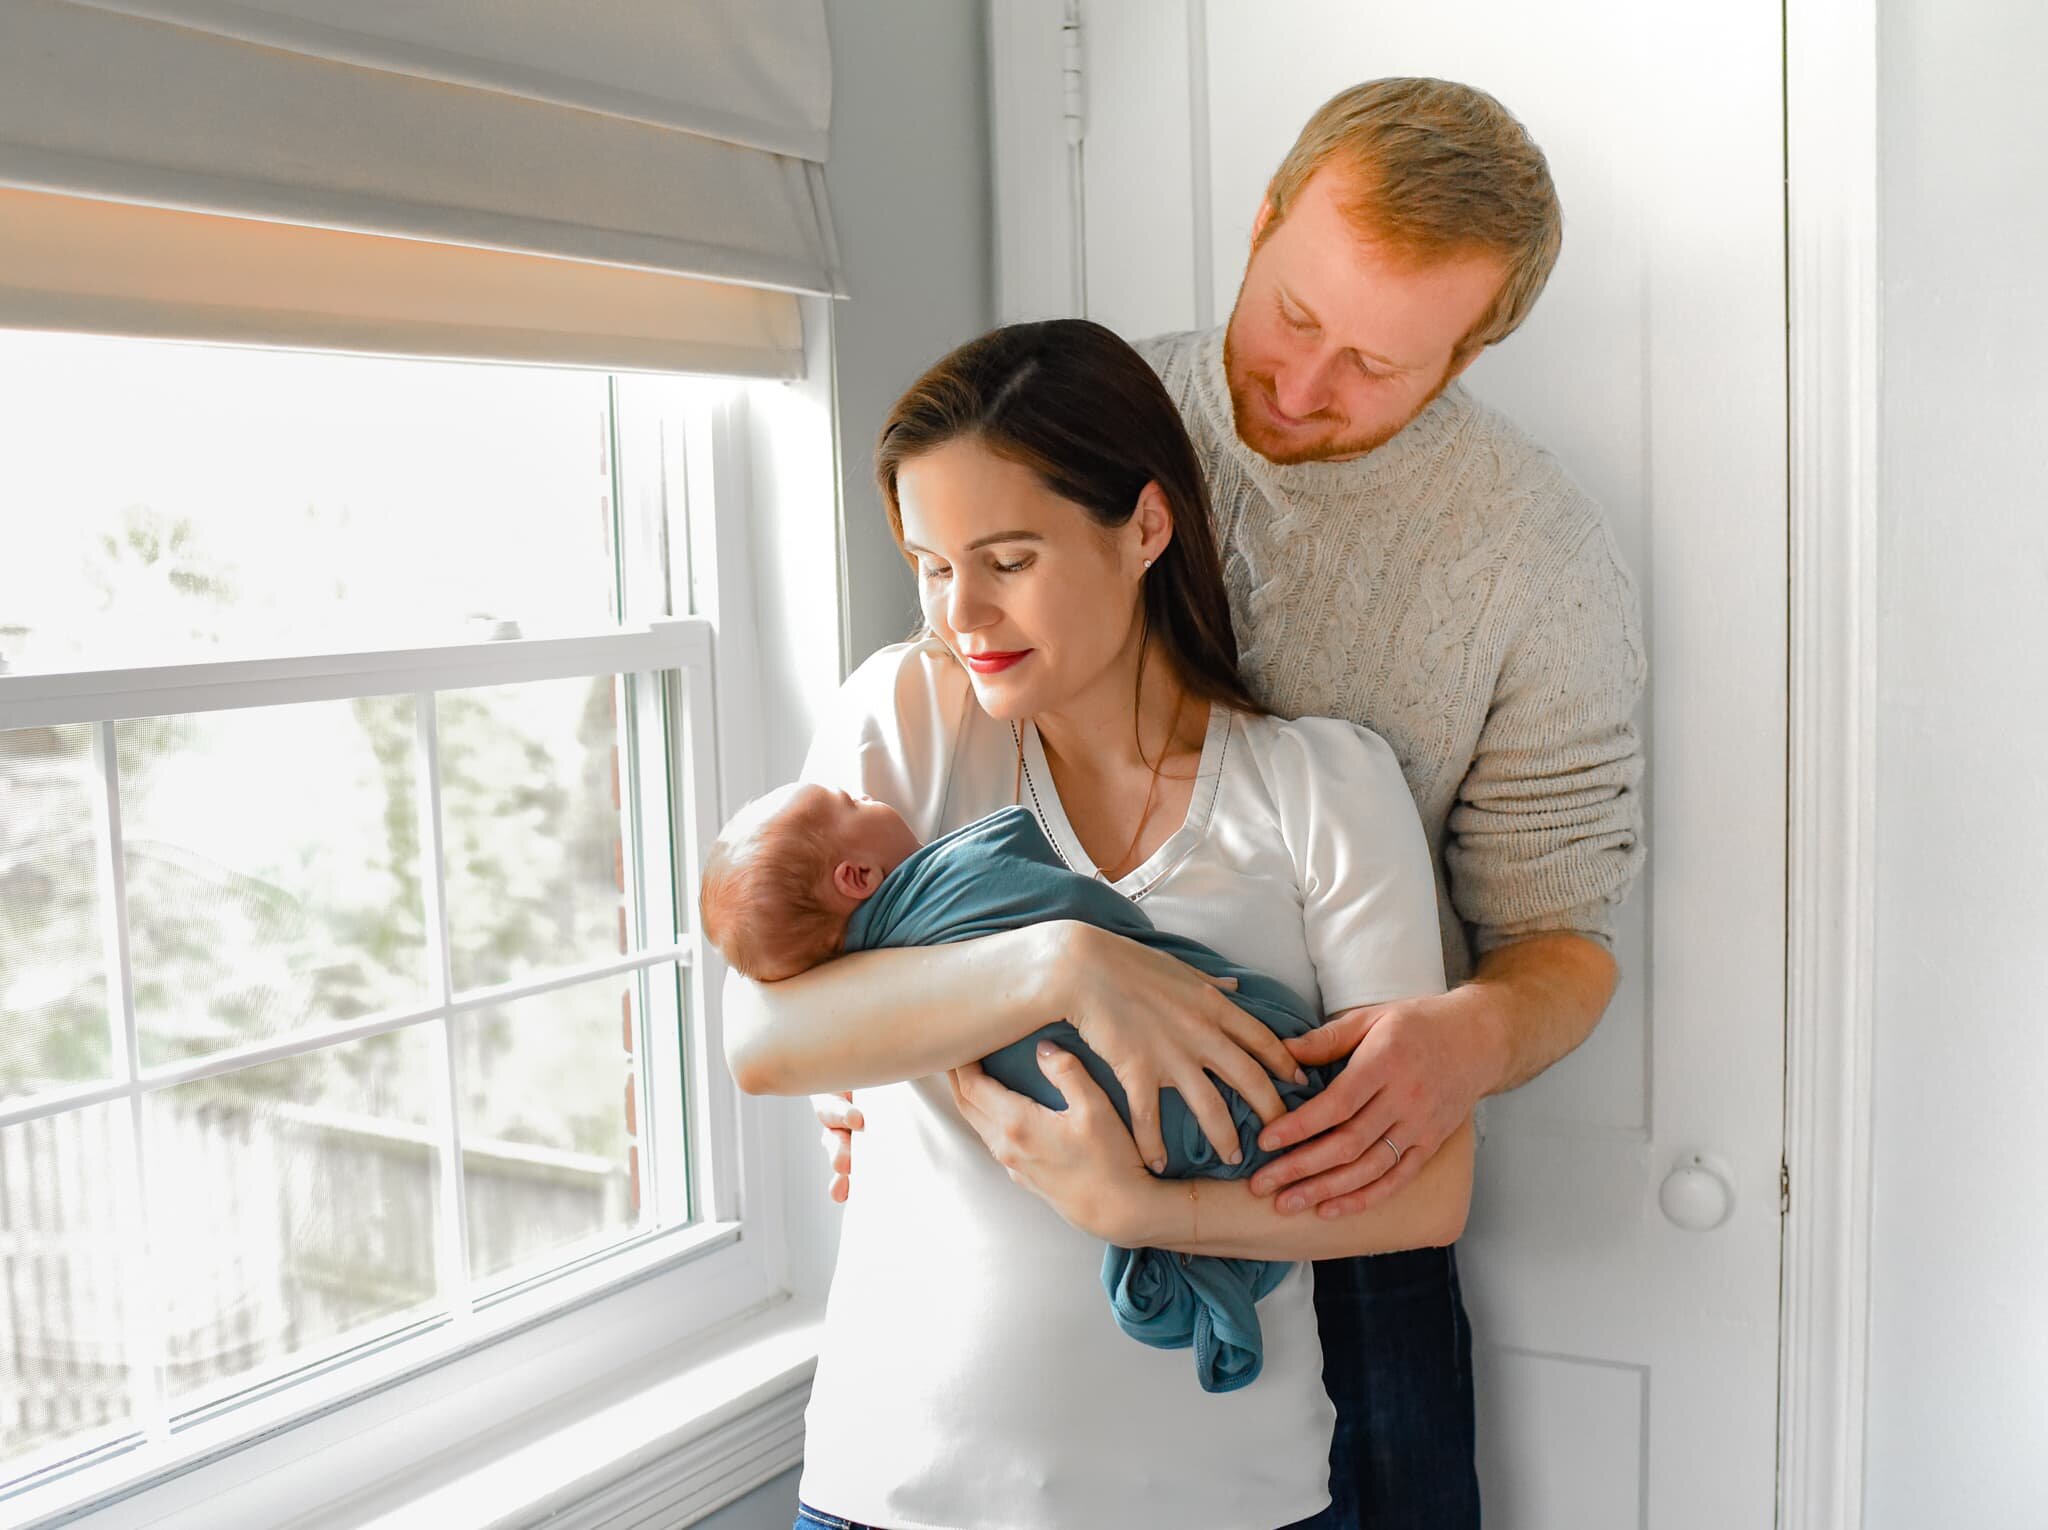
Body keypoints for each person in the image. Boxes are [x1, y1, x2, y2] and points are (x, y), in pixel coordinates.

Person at [818, 77, 1647, 1527]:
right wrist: (869, 1031)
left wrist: (1470, 1034)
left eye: (1380, 365)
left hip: (1329, 1169)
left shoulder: (1538, 562)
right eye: (1294, 315)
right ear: (1262, 220)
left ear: (1474, 347)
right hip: (979, 1249)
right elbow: (929, 717)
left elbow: (1561, 927)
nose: (1305, 386)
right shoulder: (1080, 428)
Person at [725, 317, 1466, 1530]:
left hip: (1222, 1496)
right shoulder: (912, 719)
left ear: (1144, 527)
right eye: (929, 563)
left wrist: (1144, 1213)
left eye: (1007, 558)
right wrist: (1065, 964)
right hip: (896, 1492)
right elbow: (764, 1042)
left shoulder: (1321, 786)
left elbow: (1420, 1193)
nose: (960, 612)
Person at [699, 784, 1384, 1393]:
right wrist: (1066, 960)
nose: (866, 795)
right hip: (895, 1443)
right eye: (851, 804)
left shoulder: (1313, 774)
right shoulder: (925, 807)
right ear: (857, 876)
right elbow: (758, 1045)